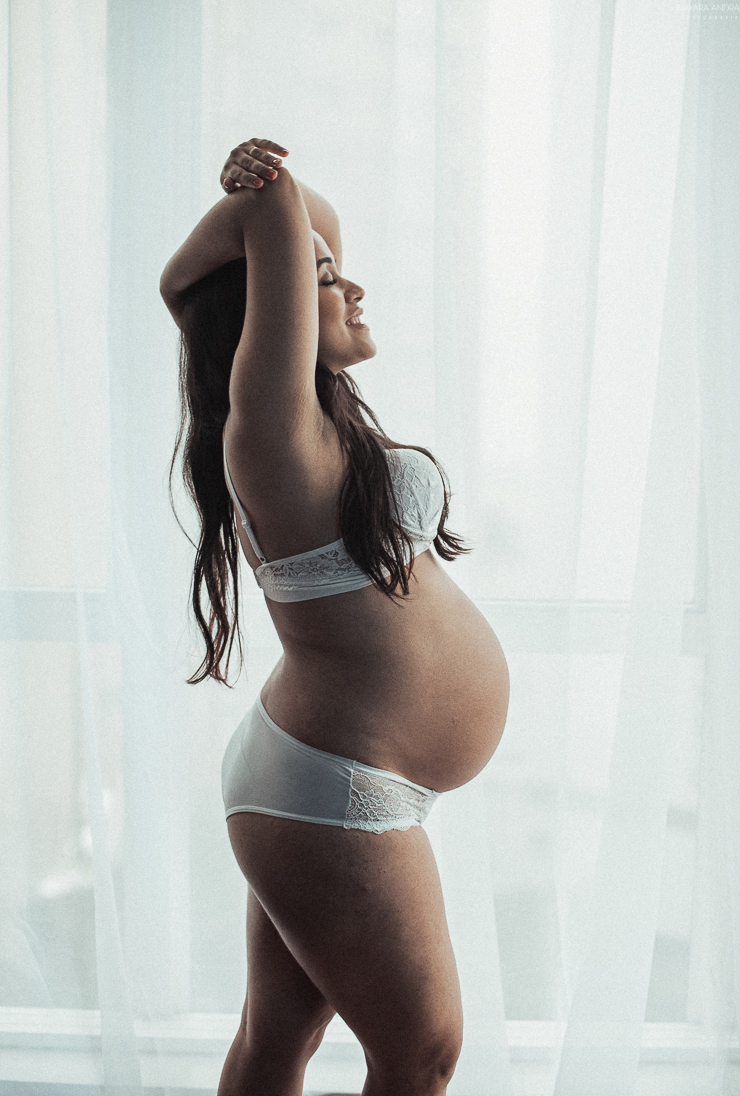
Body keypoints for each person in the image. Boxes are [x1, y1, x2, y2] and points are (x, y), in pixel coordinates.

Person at [159, 137, 510, 1096]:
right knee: (422, 1054)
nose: (349, 288)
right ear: (263, 313)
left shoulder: (320, 421)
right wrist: (254, 188)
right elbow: (275, 217)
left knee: (279, 1044)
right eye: (322, 279)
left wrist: (271, 214)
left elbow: (296, 220)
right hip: (333, 785)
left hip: (334, 777)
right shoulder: (266, 426)